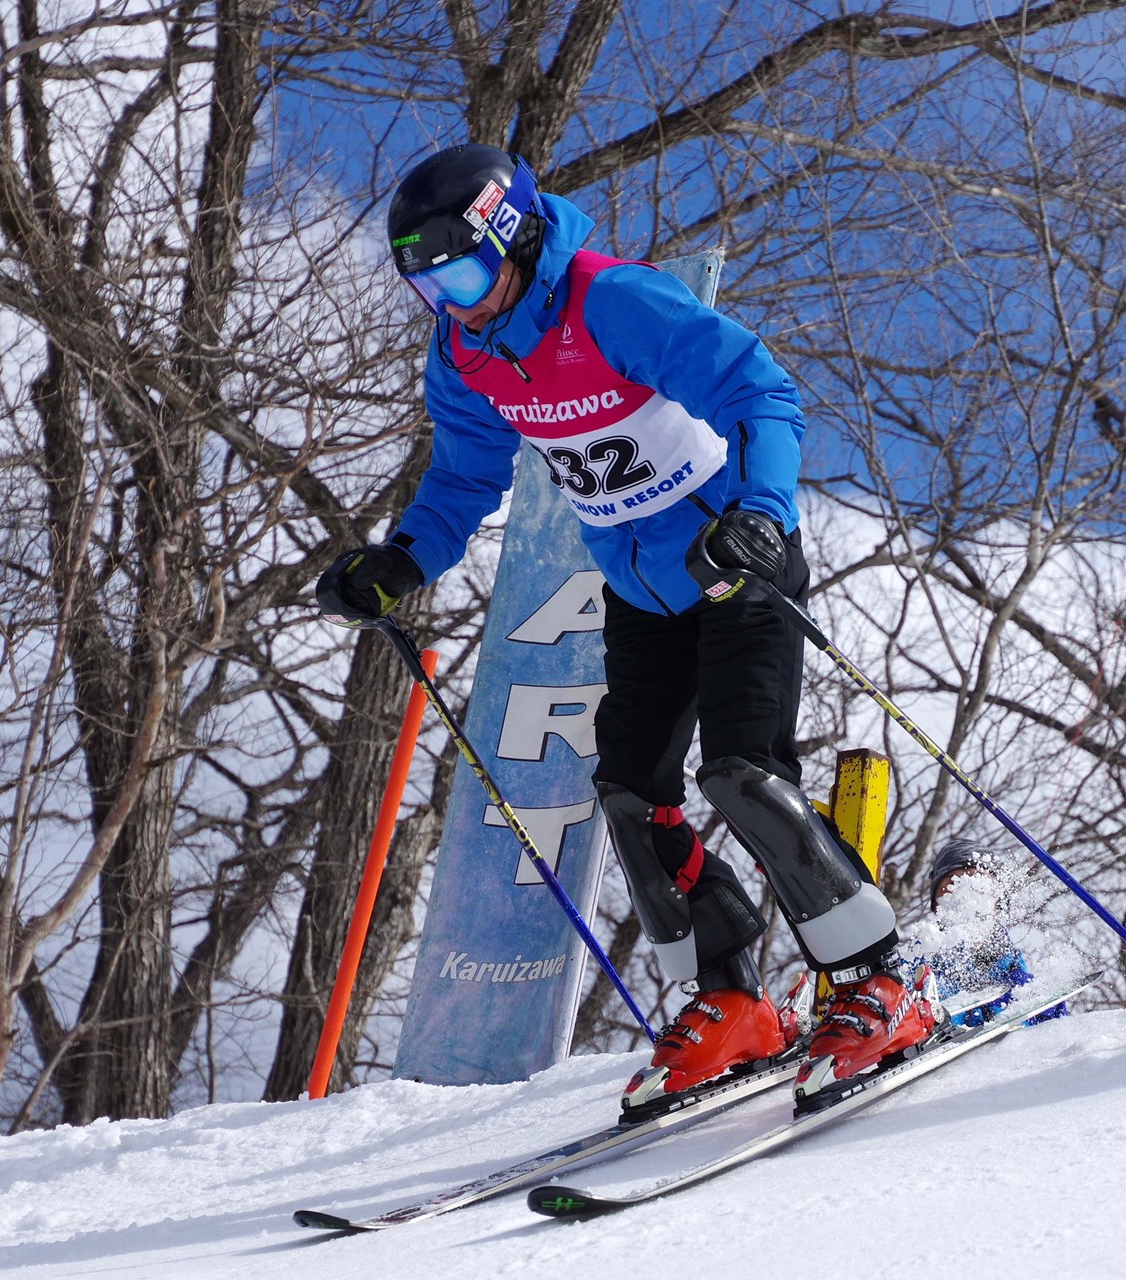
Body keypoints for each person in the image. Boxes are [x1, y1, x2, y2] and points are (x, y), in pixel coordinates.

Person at [315, 143, 934, 1107]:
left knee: (744, 774)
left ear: (513, 238)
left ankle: (880, 979)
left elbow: (761, 391)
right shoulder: (465, 353)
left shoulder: (610, 301)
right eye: (429, 289)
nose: (454, 304)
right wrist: (403, 561)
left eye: (464, 277)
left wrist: (761, 513)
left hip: (731, 563)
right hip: (641, 590)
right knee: (631, 799)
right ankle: (732, 1000)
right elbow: (465, 475)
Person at [923, 838, 1064, 1027]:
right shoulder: (908, 974)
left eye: (977, 882)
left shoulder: (1031, 992)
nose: (965, 893)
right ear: (936, 904)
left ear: (996, 902)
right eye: (953, 883)